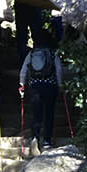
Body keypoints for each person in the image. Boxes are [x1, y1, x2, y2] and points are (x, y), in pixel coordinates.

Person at [19, 26, 64, 157]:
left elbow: (23, 70)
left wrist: (22, 84)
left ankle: (35, 137)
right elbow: (59, 69)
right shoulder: (51, 53)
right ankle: (47, 141)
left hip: (34, 87)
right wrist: (60, 85)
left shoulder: (31, 53)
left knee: (36, 114)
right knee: (49, 113)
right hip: (50, 87)